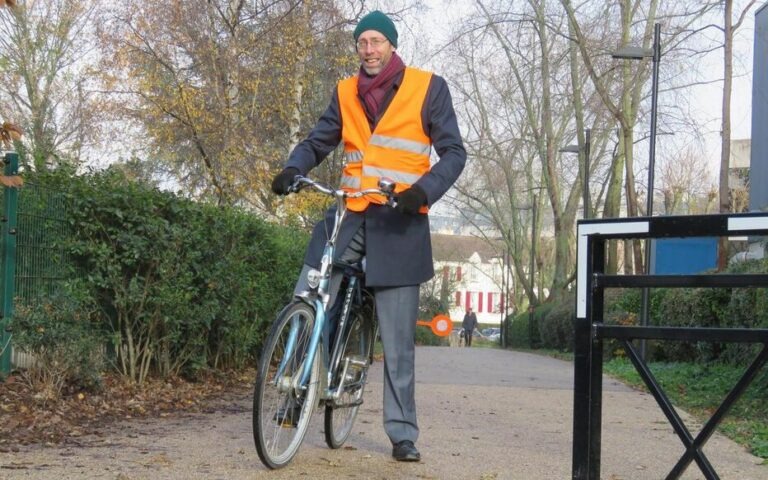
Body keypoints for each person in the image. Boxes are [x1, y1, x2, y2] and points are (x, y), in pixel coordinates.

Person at [270, 10, 465, 462]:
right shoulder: (344, 92)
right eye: (363, 42)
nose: (369, 49)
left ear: (392, 45)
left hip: (400, 221)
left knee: (397, 341)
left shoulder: (428, 88)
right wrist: (294, 167)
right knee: (308, 296)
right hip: (351, 215)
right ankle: (293, 395)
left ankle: (402, 433)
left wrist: (423, 191)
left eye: (377, 41)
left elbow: (454, 153)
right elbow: (319, 141)